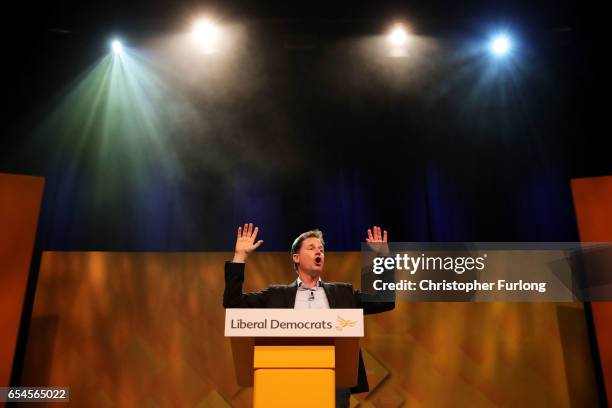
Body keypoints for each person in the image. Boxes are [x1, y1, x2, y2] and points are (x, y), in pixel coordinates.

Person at [223, 223, 395, 408]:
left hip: (334, 383)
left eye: (321, 249)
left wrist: (381, 258)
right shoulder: (277, 295)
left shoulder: (343, 293)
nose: (318, 252)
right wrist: (239, 256)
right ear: (296, 257)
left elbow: (384, 300)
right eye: (311, 248)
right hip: (287, 382)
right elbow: (233, 303)